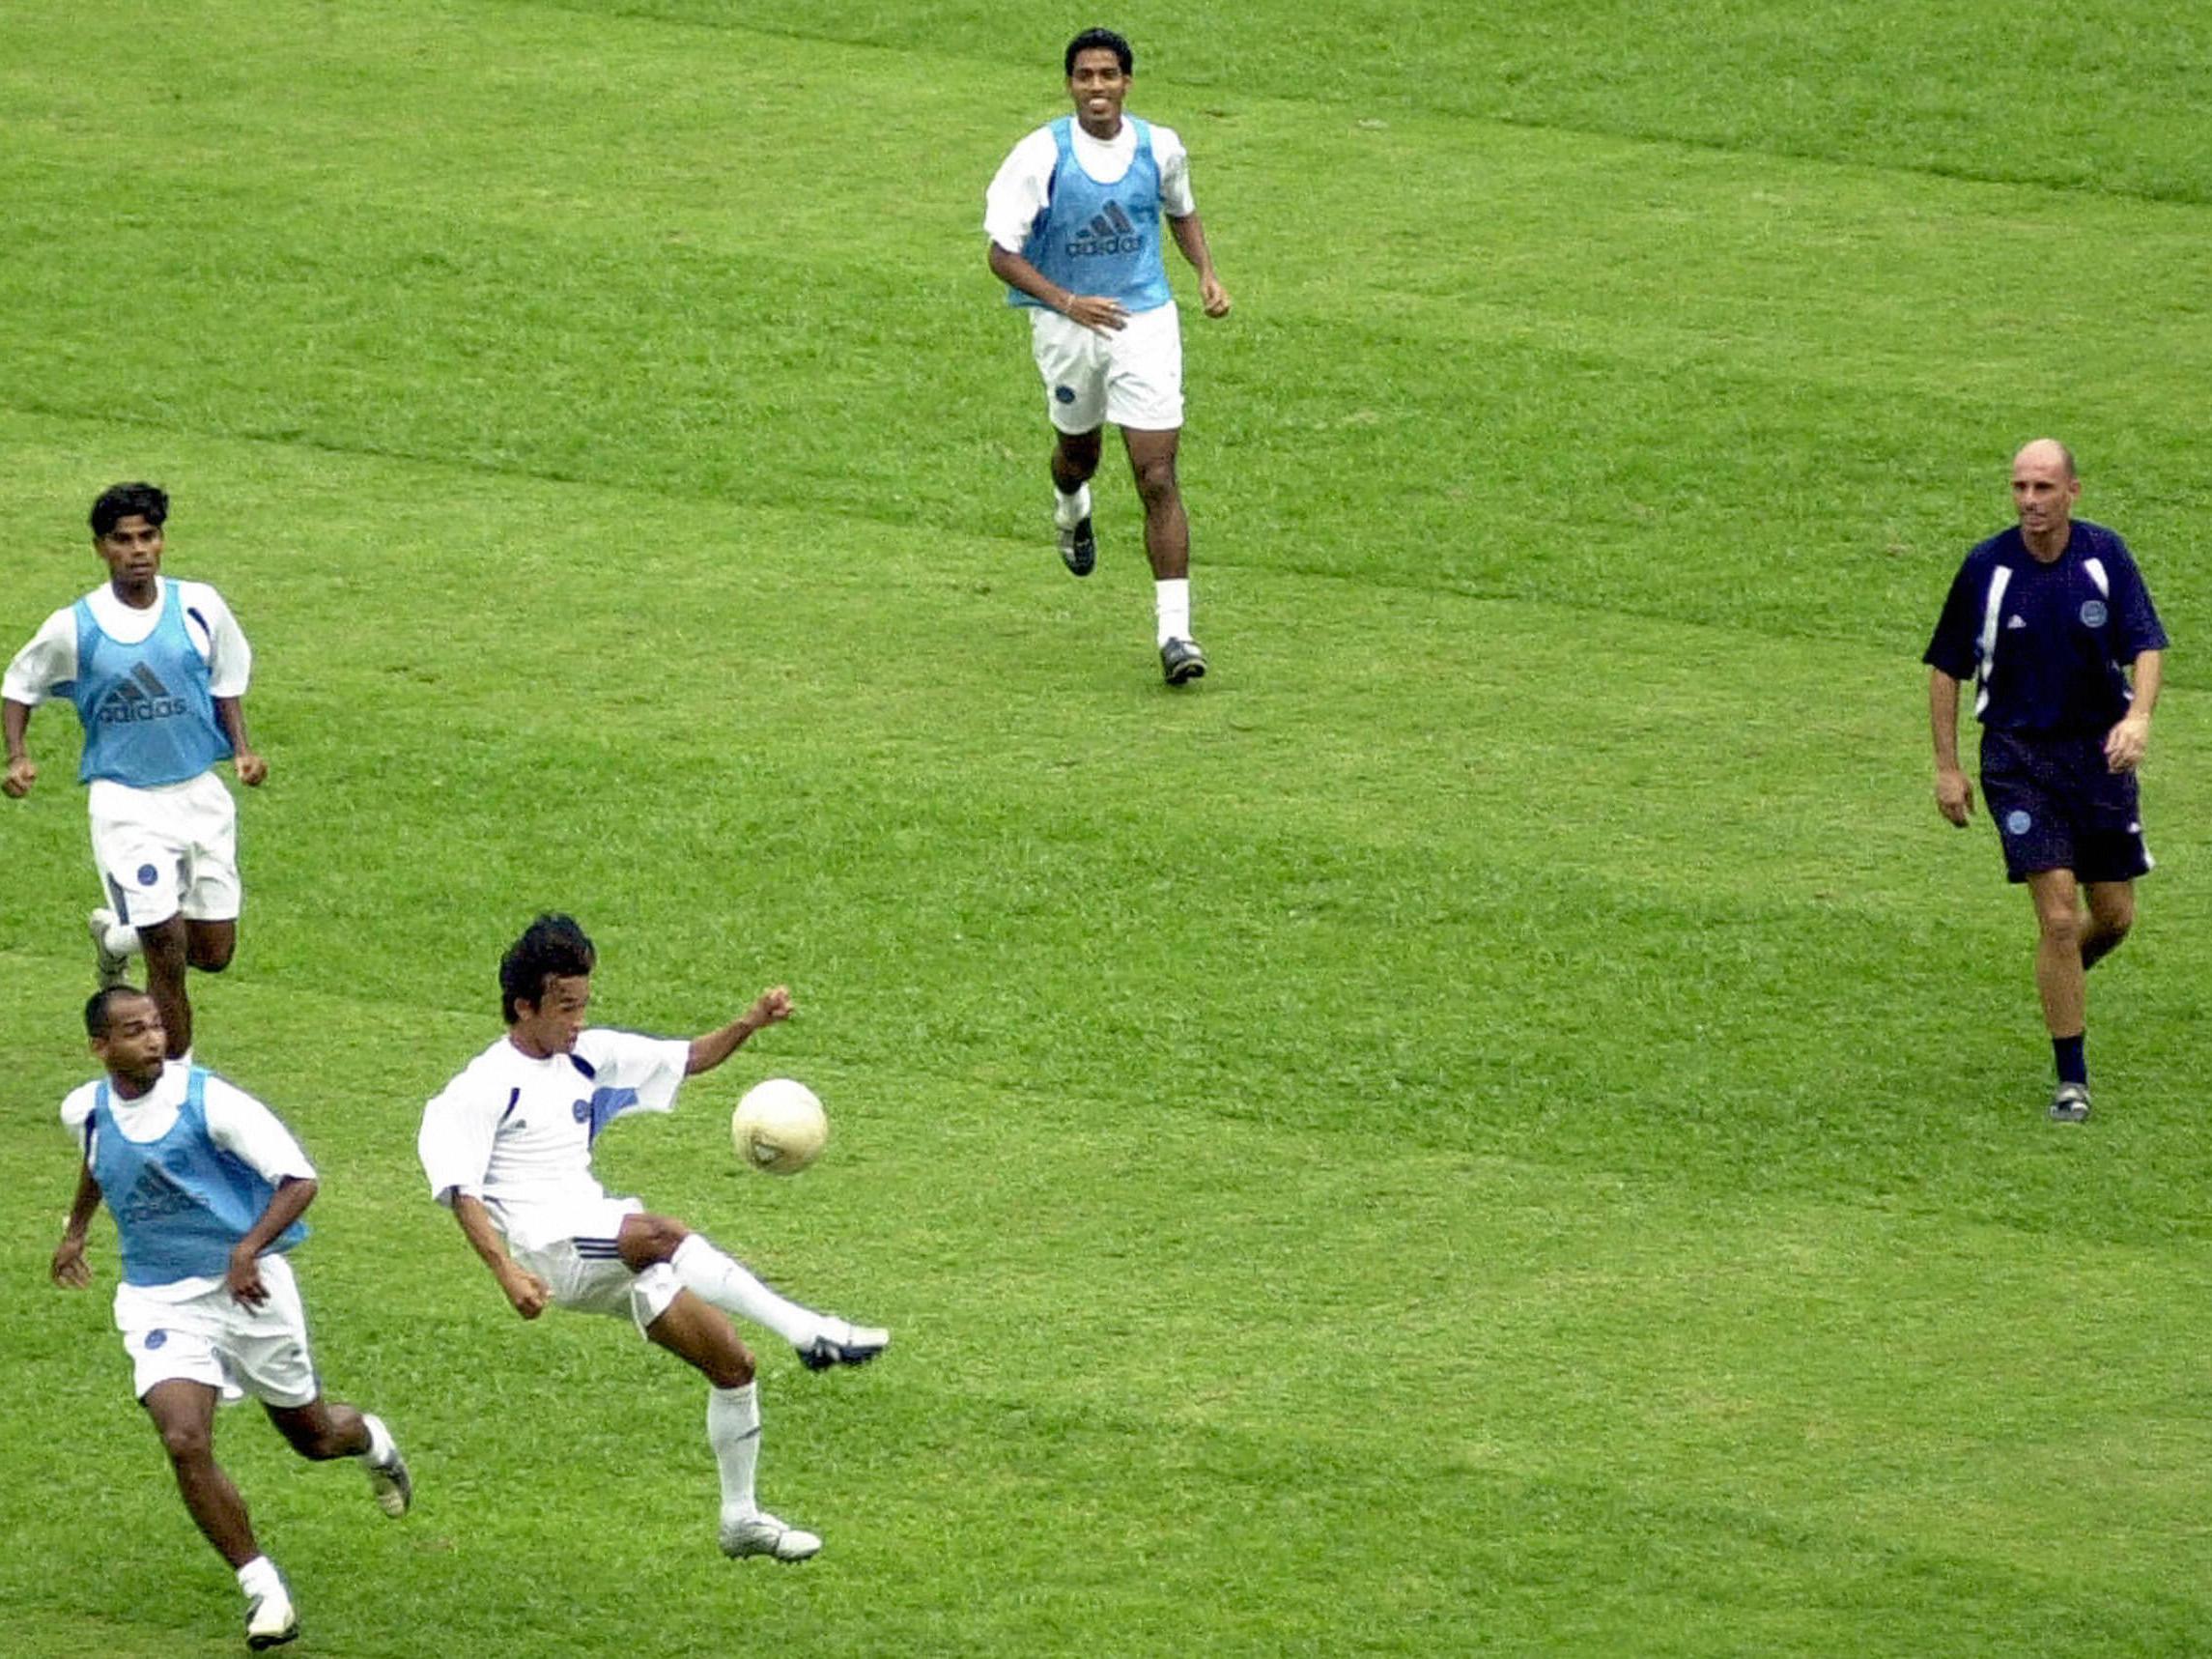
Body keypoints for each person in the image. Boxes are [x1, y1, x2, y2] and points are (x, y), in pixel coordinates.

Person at [415, 913, 889, 1563]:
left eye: (583, 1003)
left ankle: (741, 1517)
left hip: (604, 1235)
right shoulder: (477, 1090)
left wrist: (750, 1022)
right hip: (554, 1249)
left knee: (733, 1364)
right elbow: (459, 1191)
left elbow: (687, 1057)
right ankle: (810, 1330)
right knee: (664, 1234)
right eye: (564, 1006)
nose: (577, 1019)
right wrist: (506, 1273)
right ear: (523, 1005)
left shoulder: (587, 1055)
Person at [51, 985, 412, 1652]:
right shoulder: (85, 1110)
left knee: (312, 1435)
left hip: (248, 1291)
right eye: (134, 1030)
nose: (154, 1039)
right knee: (184, 1438)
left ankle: (372, 1442)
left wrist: (247, 1248)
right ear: (101, 1047)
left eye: (157, 1025)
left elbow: (299, 1179)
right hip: (159, 1297)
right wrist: (76, 1229)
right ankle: (264, 1590)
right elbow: (101, 1160)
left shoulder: (209, 1100)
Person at [1924, 439, 2168, 1122]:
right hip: (2018, 761)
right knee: (2060, 916)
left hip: (2099, 761)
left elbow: (2145, 643)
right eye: (2019, 487)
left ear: (2072, 493)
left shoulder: (2104, 557)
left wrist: (2138, 719)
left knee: (2113, 918)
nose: (2029, 501)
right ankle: (2072, 1079)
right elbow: (1946, 668)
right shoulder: (1987, 567)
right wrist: (1947, 768)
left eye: (2042, 488)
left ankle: (2060, 978)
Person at [984, 26, 1233, 685]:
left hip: (1145, 320)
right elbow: (1000, 254)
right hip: (1068, 329)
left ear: (1127, 82)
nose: (1097, 88)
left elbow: (1181, 209)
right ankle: (1071, 505)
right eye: (1085, 76)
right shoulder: (1040, 156)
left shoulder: (1160, 147)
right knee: (1078, 454)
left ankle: (1175, 633)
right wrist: (1069, 304)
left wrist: (1205, 272)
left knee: (1156, 474)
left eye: (1108, 75)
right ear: (1070, 84)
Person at [4, 482, 268, 1060]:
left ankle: (116, 937)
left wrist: (242, 750)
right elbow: (19, 685)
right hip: (125, 804)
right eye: (123, 540)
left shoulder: (200, 606)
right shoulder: (76, 625)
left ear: (162, 541)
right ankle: (173, 1086)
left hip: (200, 795)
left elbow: (226, 681)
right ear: (102, 549)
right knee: (168, 951)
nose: (138, 550)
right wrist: (17, 755)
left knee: (213, 951)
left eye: (148, 536)